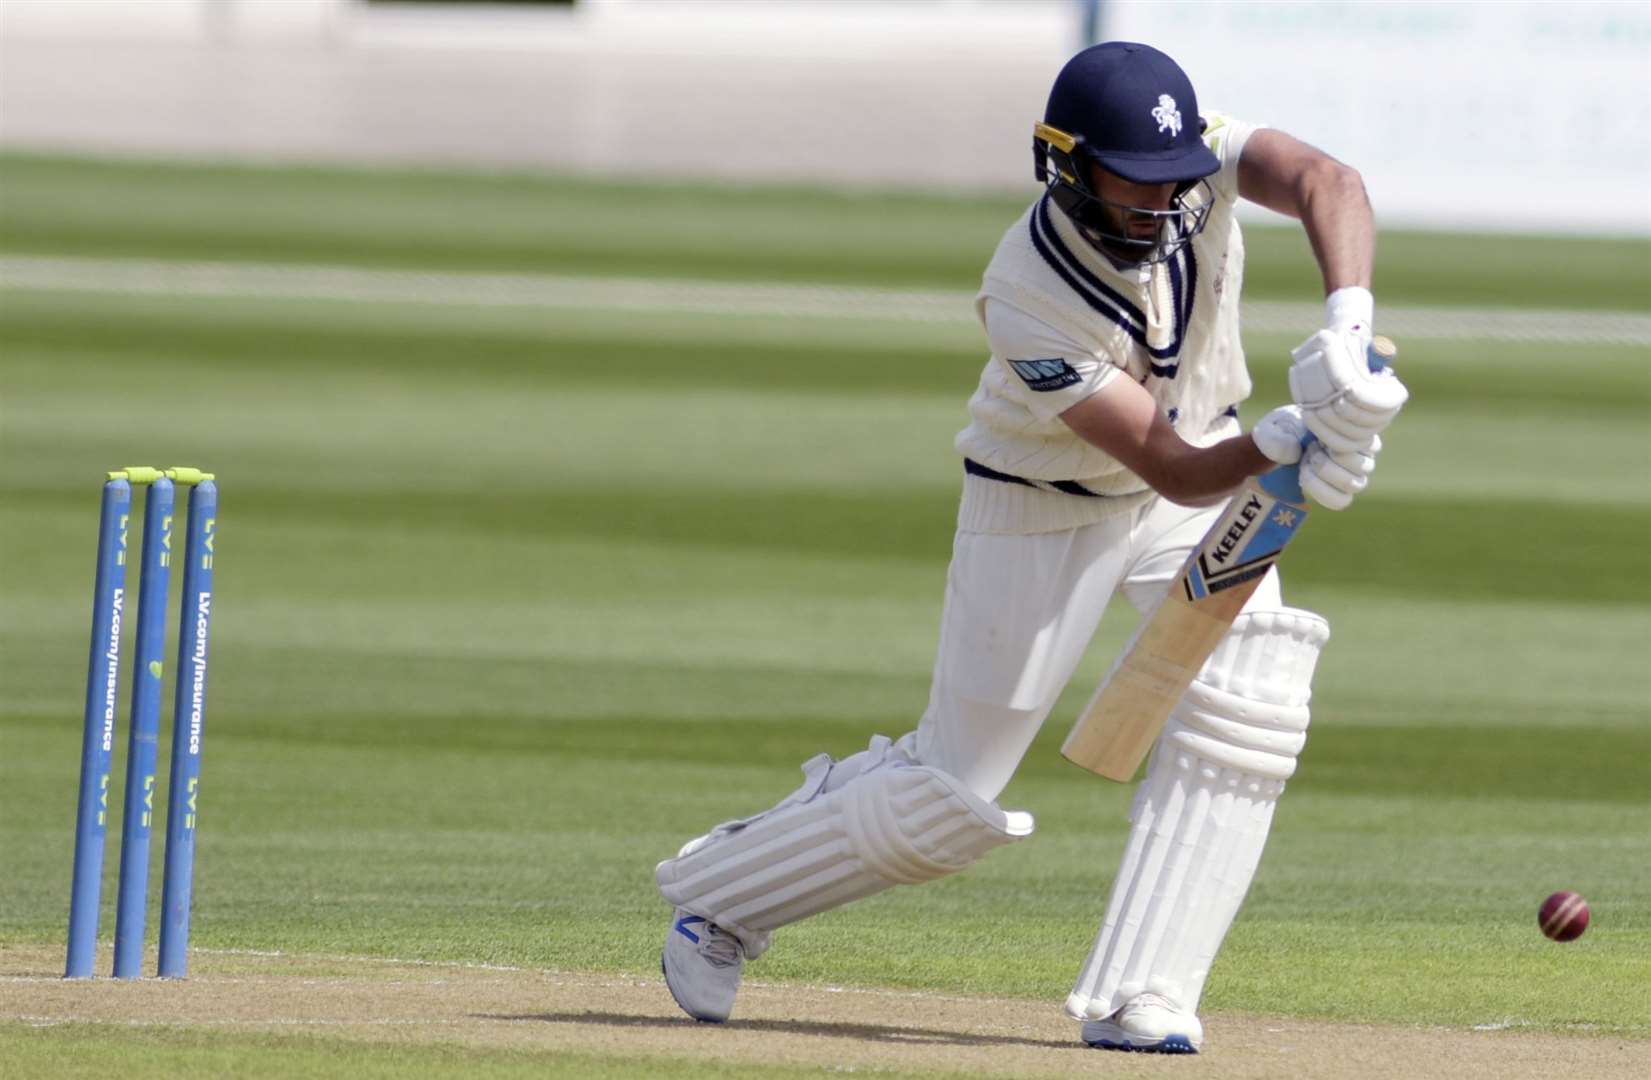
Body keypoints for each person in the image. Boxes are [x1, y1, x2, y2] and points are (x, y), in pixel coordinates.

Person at [652, 41, 1408, 1055]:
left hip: (1191, 483)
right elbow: (1176, 467)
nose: (1158, 205)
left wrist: (1346, 332)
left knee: (1252, 698)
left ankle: (1146, 994)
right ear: (1065, 164)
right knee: (949, 797)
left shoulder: (1197, 160)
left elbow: (1330, 181)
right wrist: (1285, 442)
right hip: (1046, 505)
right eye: (1131, 187)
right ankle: (721, 899)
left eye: (1173, 184)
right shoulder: (1025, 295)